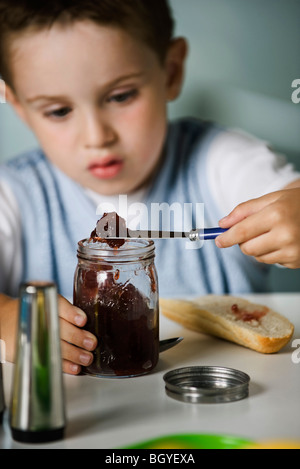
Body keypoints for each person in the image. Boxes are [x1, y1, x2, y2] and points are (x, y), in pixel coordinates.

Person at [0, 0, 299, 375]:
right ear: (19, 107)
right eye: (59, 111)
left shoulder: (221, 160)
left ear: (171, 71)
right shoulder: (13, 194)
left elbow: (290, 198)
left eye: (121, 96)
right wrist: (6, 319)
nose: (97, 137)